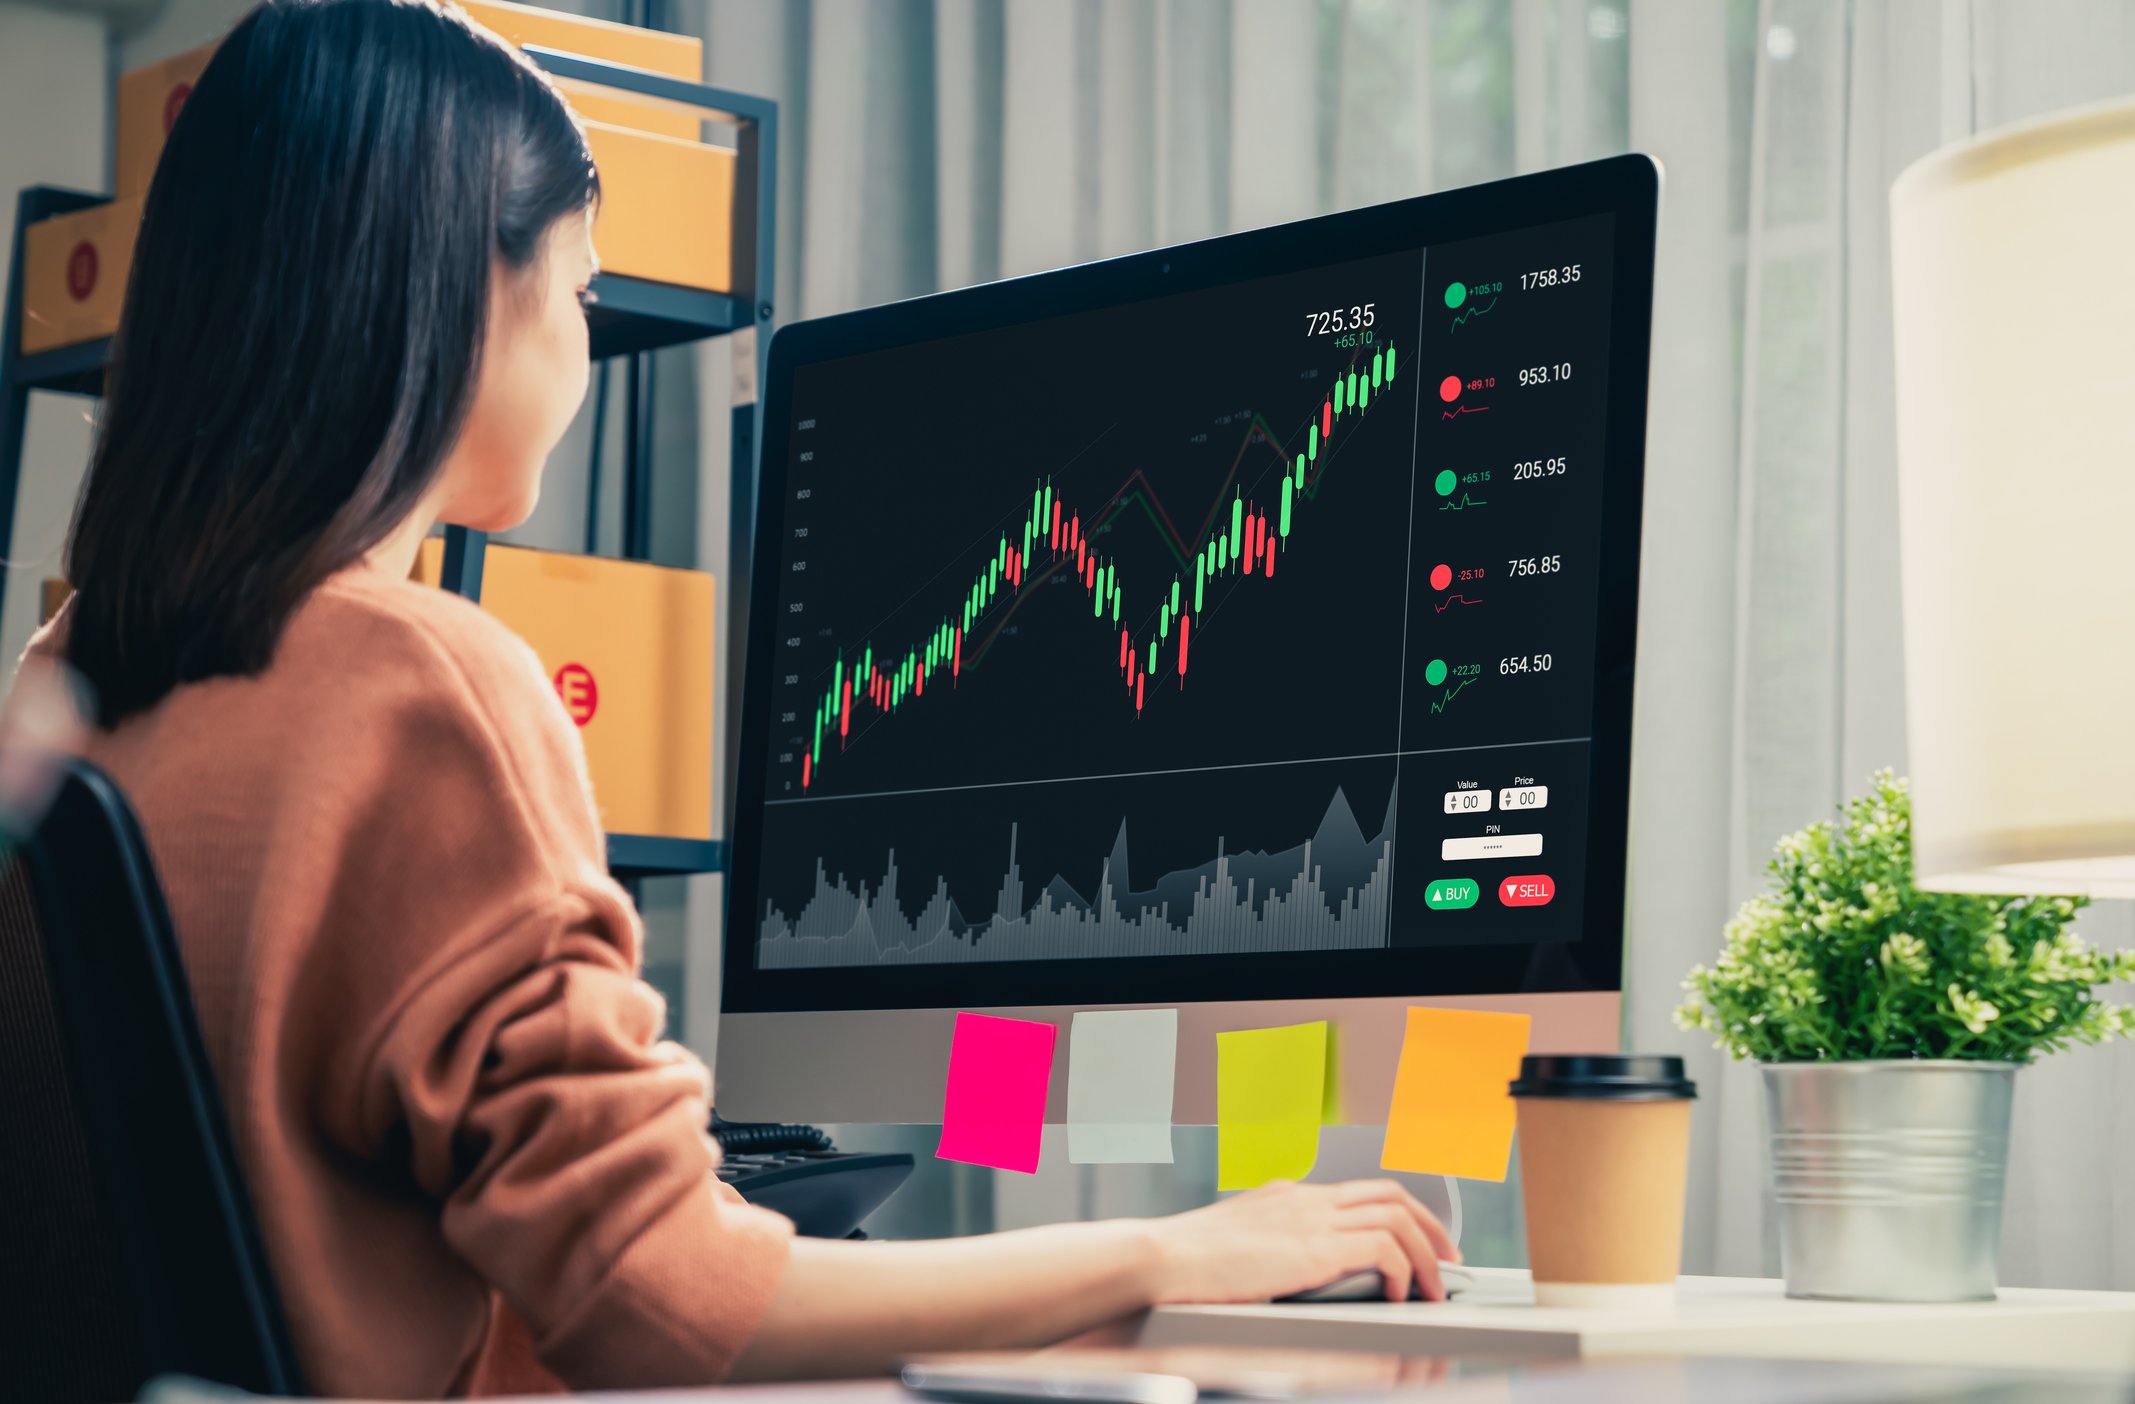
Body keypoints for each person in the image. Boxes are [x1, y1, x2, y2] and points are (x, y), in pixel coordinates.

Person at [23, 0, 1455, 1395]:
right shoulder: (417, 682)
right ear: (462, 290)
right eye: (580, 293)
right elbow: (655, 1300)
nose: (582, 349)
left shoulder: (65, 687)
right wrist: (1171, 1253)